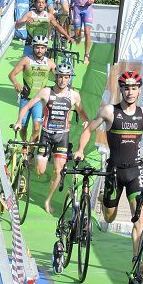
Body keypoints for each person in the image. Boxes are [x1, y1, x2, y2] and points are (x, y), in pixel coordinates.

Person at [74, 70, 143, 252]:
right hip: (114, 171)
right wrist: (80, 150)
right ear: (121, 90)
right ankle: (103, 201)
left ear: (139, 91)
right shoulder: (109, 111)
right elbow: (89, 130)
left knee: (138, 217)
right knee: (109, 217)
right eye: (126, 88)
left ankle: (136, 261)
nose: (130, 92)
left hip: (135, 171)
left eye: (134, 88)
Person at [14, 61, 89, 214]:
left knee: (58, 171)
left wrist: (86, 121)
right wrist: (18, 122)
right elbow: (27, 106)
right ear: (56, 77)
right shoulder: (46, 92)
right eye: (60, 77)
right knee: (40, 171)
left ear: (70, 78)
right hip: (46, 134)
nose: (63, 80)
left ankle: (47, 200)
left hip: (62, 136)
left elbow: (82, 113)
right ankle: (41, 161)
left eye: (66, 77)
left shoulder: (74, 95)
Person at [59, 0, 105, 67]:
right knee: (78, 34)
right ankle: (77, 43)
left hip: (87, 8)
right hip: (77, 8)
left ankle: (86, 55)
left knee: (88, 33)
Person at [8, 36, 56, 141]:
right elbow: (11, 74)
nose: (39, 50)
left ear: (46, 49)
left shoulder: (50, 63)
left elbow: (59, 78)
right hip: (26, 98)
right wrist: (16, 83)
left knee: (36, 128)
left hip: (39, 100)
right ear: (33, 47)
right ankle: (24, 144)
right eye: (37, 47)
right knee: (23, 127)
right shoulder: (26, 60)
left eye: (42, 48)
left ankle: (30, 151)